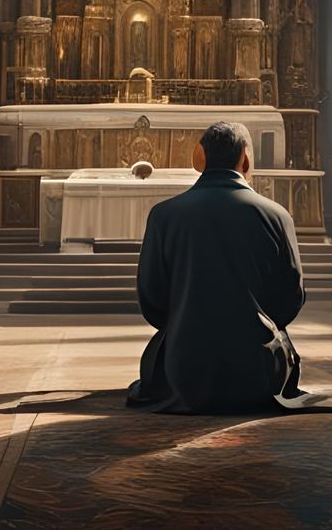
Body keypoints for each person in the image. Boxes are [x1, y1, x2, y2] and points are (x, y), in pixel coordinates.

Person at [126, 119, 306, 413]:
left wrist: (186, 324)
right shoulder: (277, 216)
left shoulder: (164, 216)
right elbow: (292, 296)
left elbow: (152, 299)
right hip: (258, 369)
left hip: (185, 368)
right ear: (246, 158)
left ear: (200, 157)